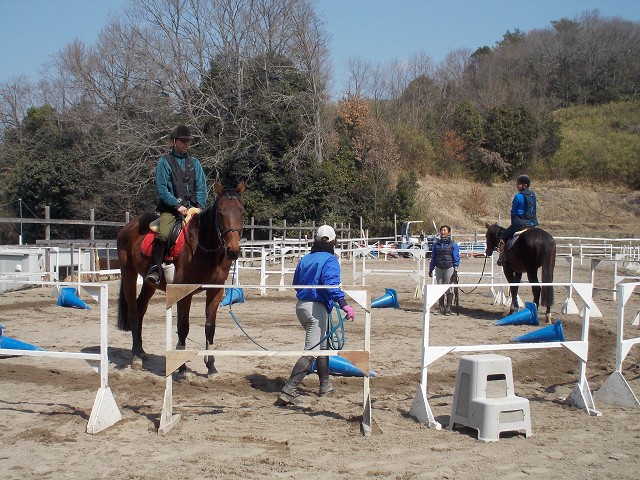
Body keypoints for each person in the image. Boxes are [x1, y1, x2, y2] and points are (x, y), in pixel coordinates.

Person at [276, 225, 356, 406]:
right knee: (311, 351)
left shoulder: (305, 259)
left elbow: (296, 283)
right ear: (334, 241)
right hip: (317, 310)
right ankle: (289, 389)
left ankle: (325, 385)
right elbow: (331, 284)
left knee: (323, 347)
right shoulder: (330, 260)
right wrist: (344, 305)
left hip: (301, 307)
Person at [145, 124, 207, 285]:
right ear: (174, 141)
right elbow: (161, 188)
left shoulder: (195, 163)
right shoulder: (164, 162)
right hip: (171, 211)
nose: (186, 144)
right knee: (164, 234)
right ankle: (155, 269)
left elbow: (201, 187)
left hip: (194, 209)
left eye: (188, 141)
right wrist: (176, 205)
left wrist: (200, 206)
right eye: (183, 141)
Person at [497, 174, 538, 267]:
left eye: (518, 184)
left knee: (503, 237)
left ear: (525, 185)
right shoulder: (533, 195)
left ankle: (502, 258)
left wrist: (513, 223)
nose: (516, 185)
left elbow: (514, 211)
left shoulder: (518, 196)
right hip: (532, 224)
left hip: (520, 223)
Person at [428, 225, 461, 315]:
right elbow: (433, 257)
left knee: (449, 288)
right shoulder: (436, 244)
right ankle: (441, 307)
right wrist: (431, 268)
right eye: (442, 230)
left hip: (449, 267)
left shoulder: (453, 244)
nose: (443, 232)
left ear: (448, 233)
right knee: (439, 288)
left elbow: (456, 257)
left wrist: (456, 270)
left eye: (445, 230)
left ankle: (449, 307)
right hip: (439, 267)